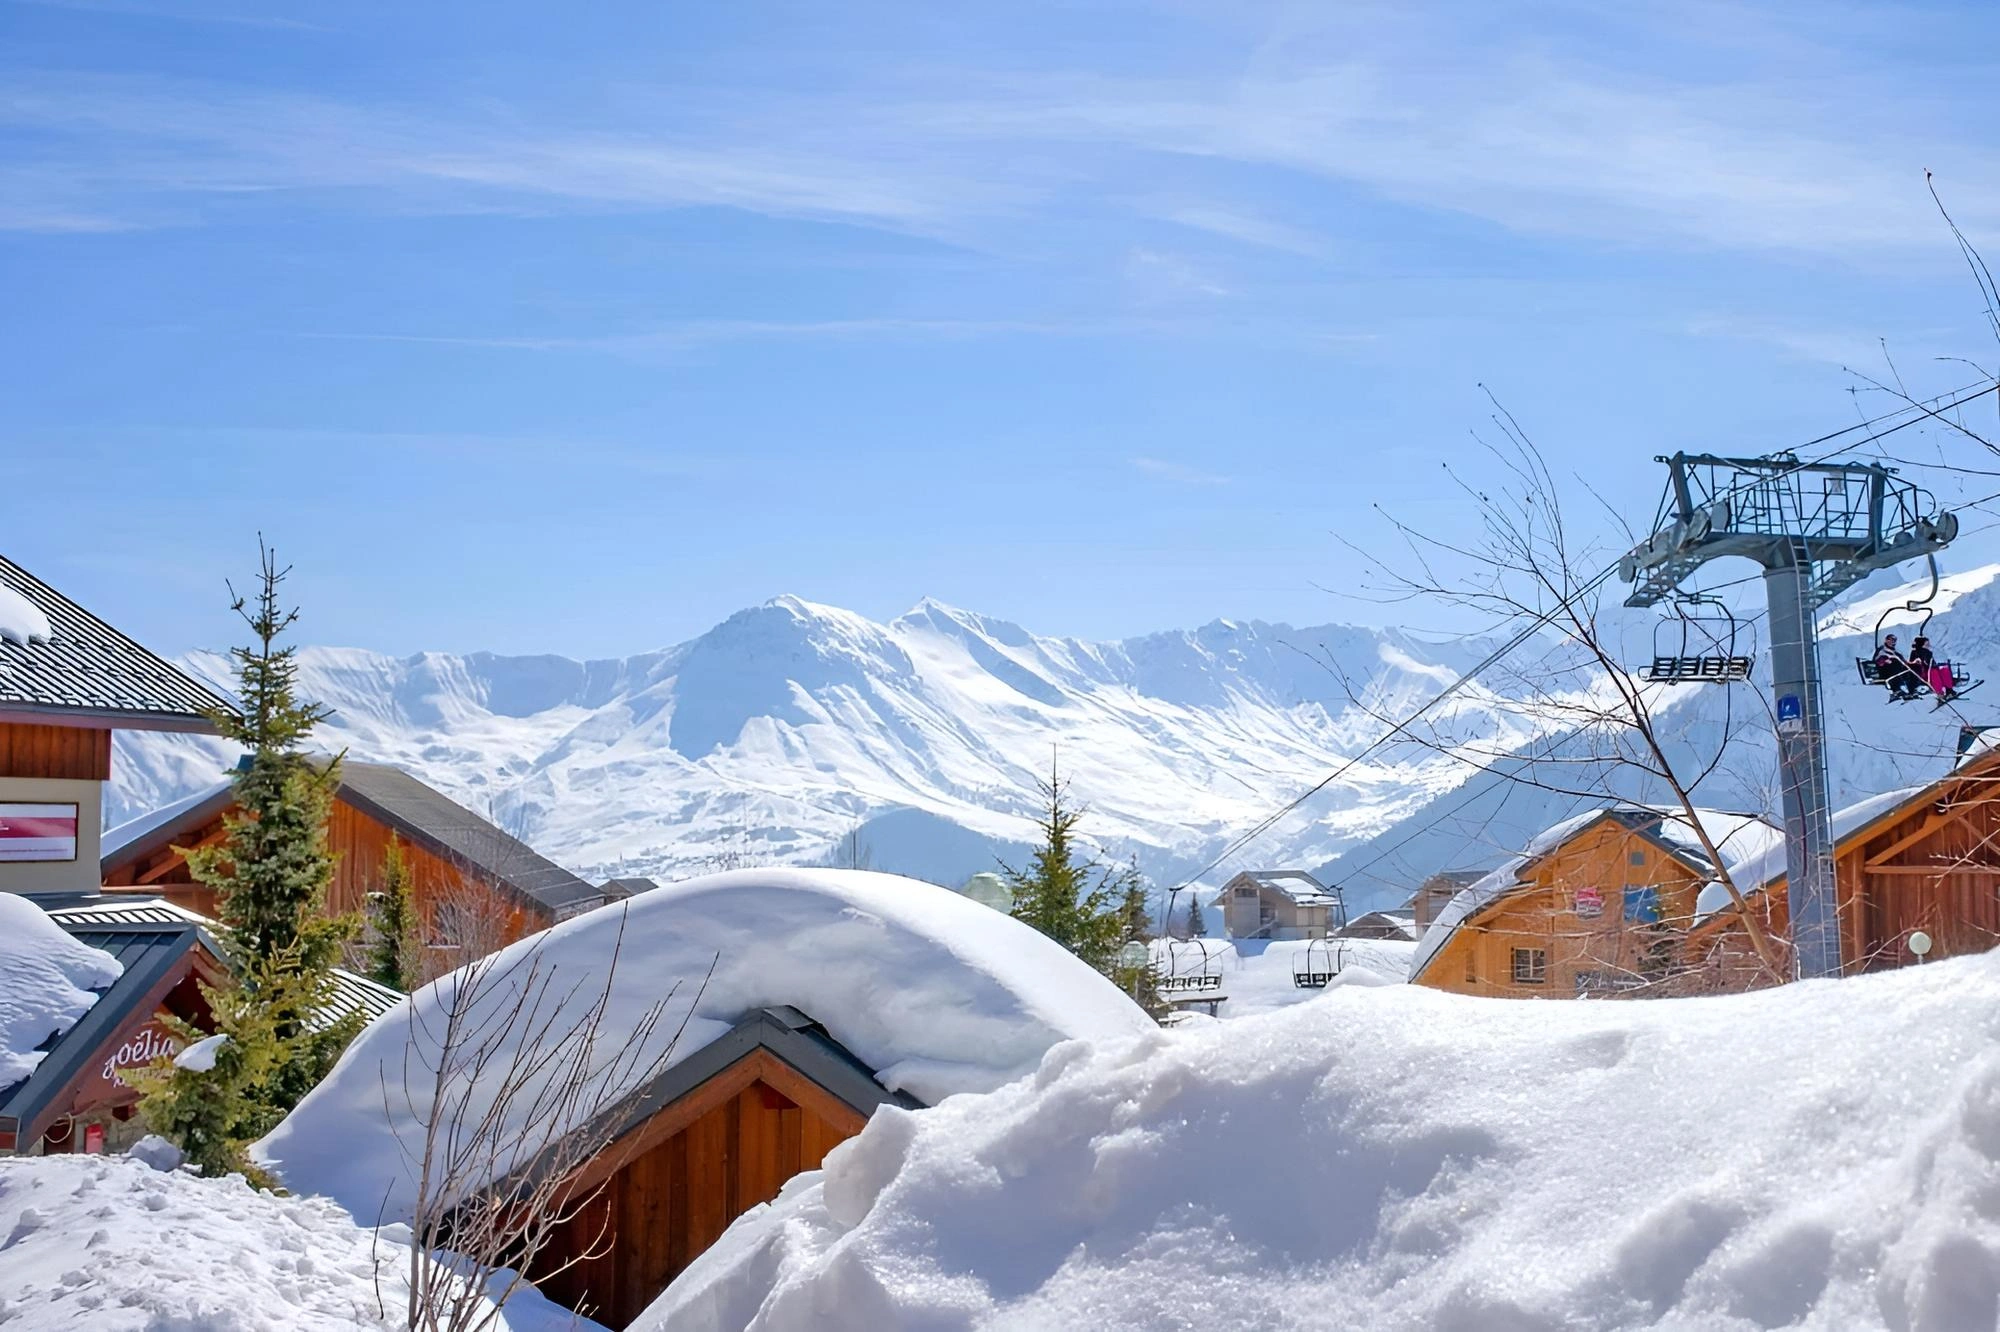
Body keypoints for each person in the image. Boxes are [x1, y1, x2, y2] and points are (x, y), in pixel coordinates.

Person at [1876, 634, 1919, 700]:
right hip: (1886, 672)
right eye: (1890, 640)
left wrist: (1913, 663)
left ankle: (1912, 690)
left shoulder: (1896, 653)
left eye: (1894, 640)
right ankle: (1896, 690)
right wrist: (1885, 660)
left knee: (1912, 668)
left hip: (1897, 672)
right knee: (1895, 663)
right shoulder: (1882, 650)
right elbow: (1878, 661)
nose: (1892, 642)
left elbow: (1905, 662)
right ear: (1886, 640)